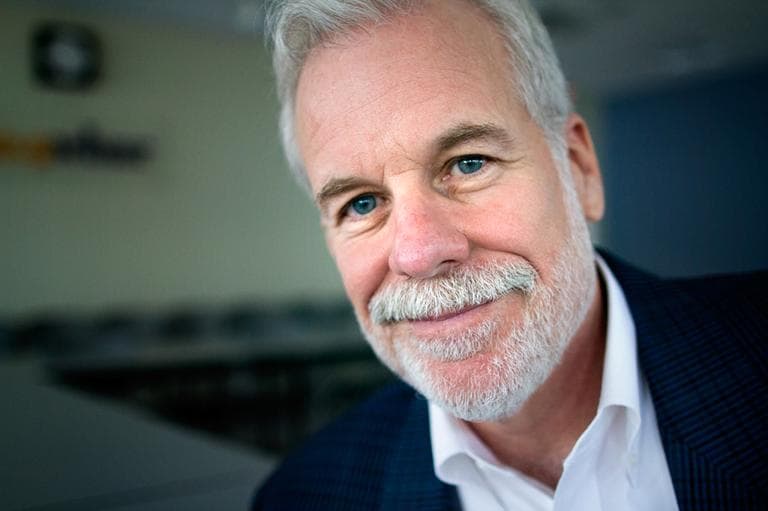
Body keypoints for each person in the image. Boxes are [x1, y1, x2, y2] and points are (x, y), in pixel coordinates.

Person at [253, 0, 768, 509]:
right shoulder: (302, 497)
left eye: (469, 163)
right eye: (361, 203)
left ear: (579, 168)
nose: (418, 253)